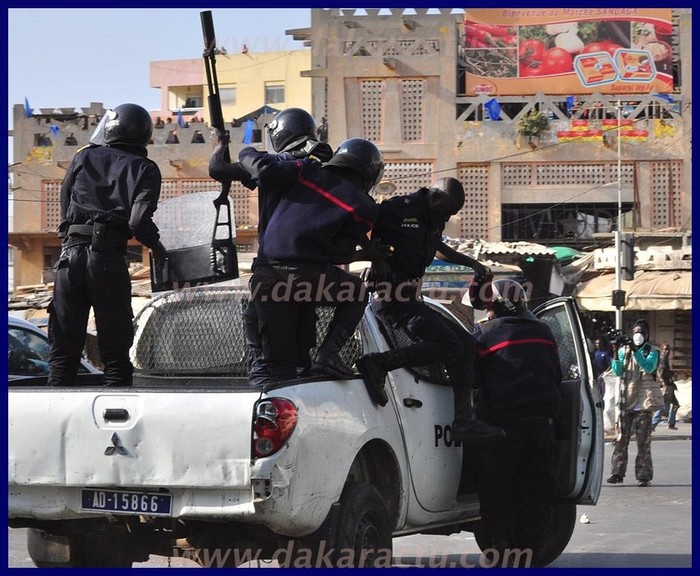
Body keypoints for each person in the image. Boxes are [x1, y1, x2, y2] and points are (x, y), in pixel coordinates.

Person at [354, 177, 502, 440]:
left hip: (410, 296)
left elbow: (437, 248)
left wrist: (473, 264)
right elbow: (358, 229)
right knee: (449, 345)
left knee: (466, 344)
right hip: (389, 294)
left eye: (450, 214)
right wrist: (373, 256)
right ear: (433, 197)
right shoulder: (399, 208)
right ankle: (377, 363)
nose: (446, 217)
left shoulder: (435, 215)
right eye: (445, 211)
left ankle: (463, 421)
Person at [239, 137, 382, 382]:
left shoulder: (307, 169)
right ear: (369, 172)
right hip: (306, 276)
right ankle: (328, 354)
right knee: (357, 292)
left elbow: (263, 169)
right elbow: (340, 254)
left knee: (280, 370)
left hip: (266, 277)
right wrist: (365, 254)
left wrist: (246, 151)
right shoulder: (364, 205)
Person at [209, 108, 333, 385]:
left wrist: (220, 144)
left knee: (266, 344)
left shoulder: (274, 164)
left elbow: (216, 170)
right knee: (299, 343)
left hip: (273, 269)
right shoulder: (321, 168)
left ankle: (271, 386)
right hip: (311, 269)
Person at [48, 103, 167, 387]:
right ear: (143, 134)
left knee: (63, 353)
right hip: (106, 260)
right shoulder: (146, 168)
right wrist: (159, 249)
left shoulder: (84, 157)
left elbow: (64, 204)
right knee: (115, 356)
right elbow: (138, 222)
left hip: (68, 258)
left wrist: (72, 240)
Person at [470, 278, 563, 564]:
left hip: (501, 430)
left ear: (494, 306)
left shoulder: (484, 334)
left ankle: (500, 552)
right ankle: (530, 554)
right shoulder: (544, 332)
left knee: (497, 492)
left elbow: (470, 379)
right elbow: (556, 377)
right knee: (535, 494)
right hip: (541, 429)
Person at [607, 318, 663, 487]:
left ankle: (644, 476)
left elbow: (648, 367)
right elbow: (617, 371)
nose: (638, 335)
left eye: (641, 332)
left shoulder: (653, 351)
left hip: (644, 404)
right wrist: (616, 352)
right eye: (636, 332)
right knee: (621, 439)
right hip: (627, 402)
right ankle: (617, 473)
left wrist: (634, 349)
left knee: (643, 441)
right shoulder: (625, 351)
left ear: (647, 335)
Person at [652, 342, 679, 430]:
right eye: (664, 349)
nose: (666, 351)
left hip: (669, 385)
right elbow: (661, 373)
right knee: (662, 407)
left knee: (675, 404)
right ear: (662, 350)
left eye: (668, 349)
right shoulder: (662, 360)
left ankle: (671, 423)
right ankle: (652, 425)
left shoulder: (665, 359)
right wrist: (671, 374)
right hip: (666, 386)